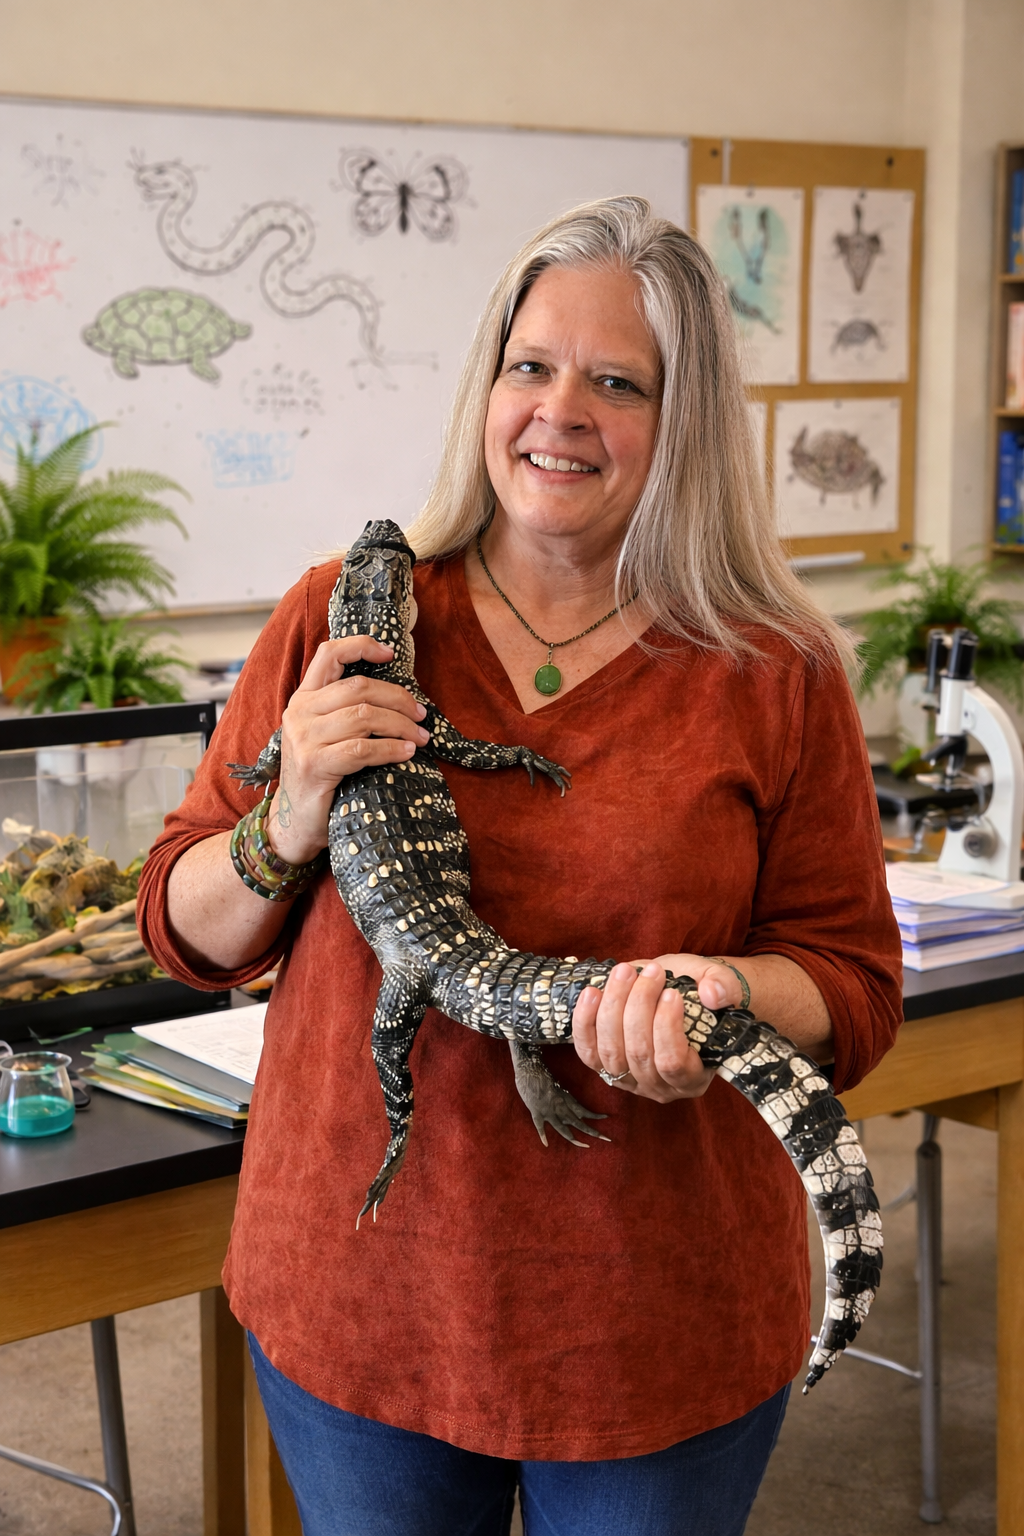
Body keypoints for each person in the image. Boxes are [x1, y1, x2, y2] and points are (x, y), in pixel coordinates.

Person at [139, 196, 902, 1536]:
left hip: (653, 1320)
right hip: (368, 1295)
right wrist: (292, 809)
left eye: (618, 381)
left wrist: (716, 992)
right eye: (531, 365)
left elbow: (851, 987)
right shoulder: (339, 617)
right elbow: (185, 931)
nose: (561, 411)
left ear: (686, 422)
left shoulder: (775, 667)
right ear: (485, 387)